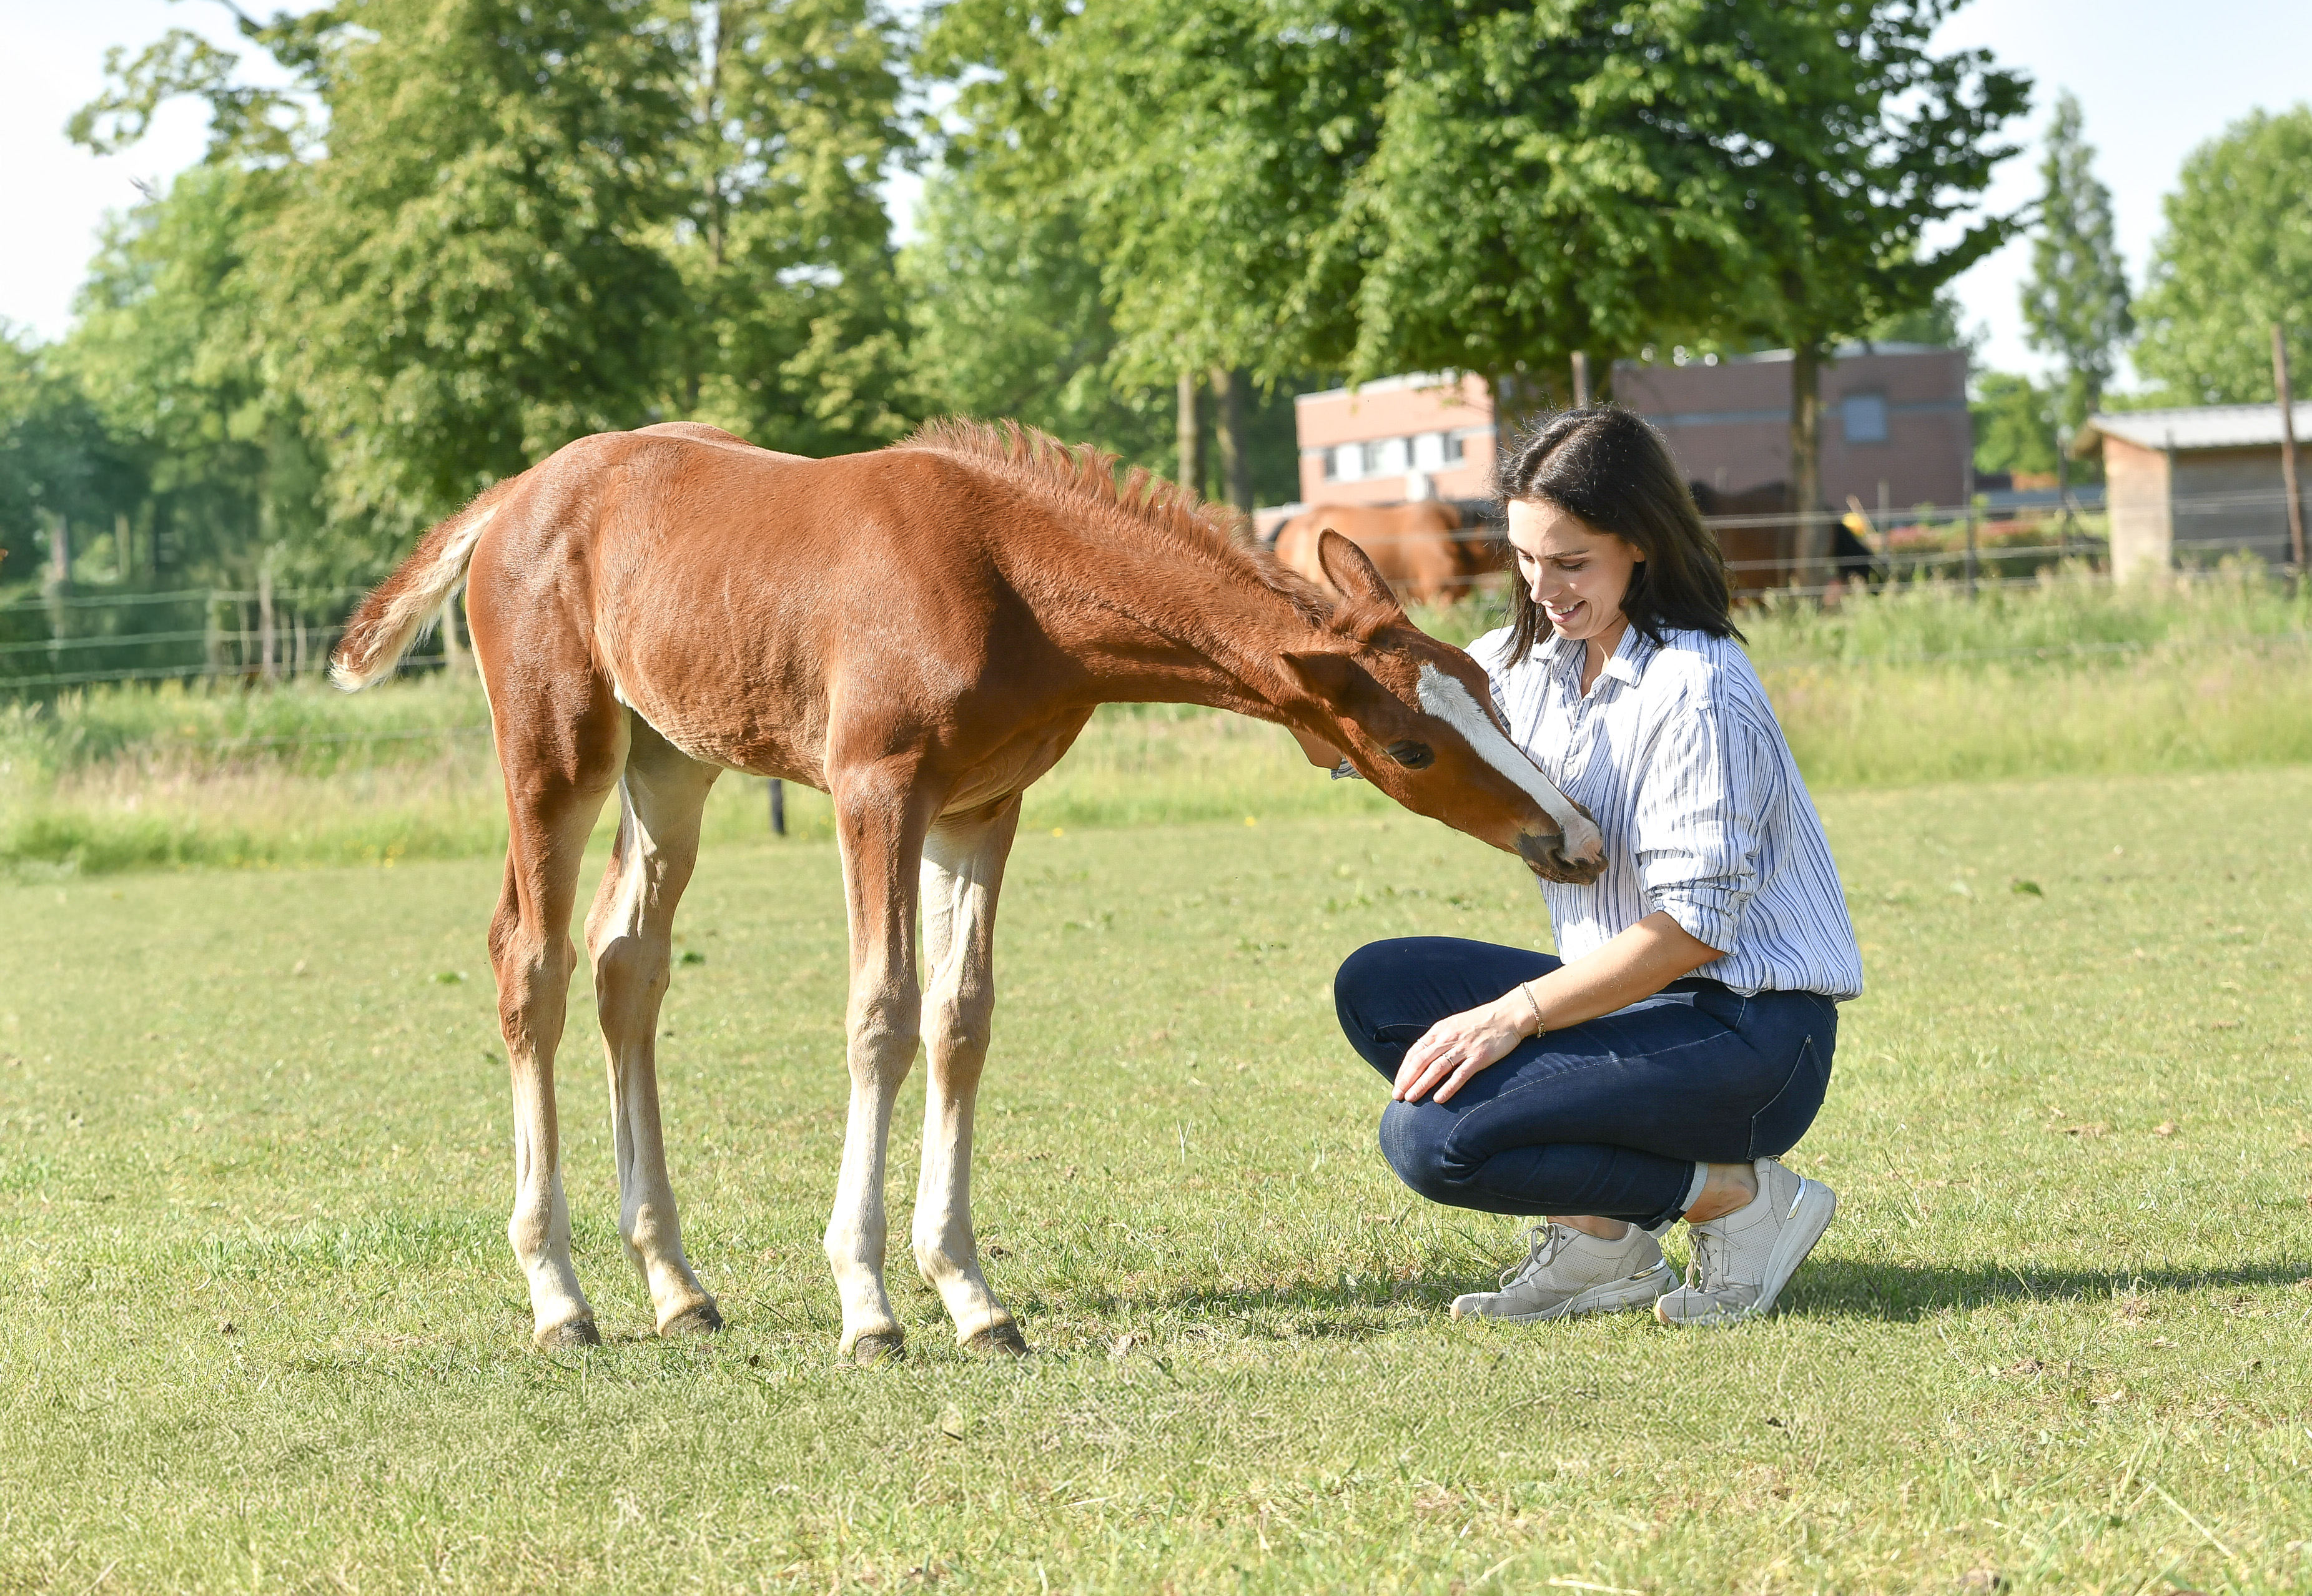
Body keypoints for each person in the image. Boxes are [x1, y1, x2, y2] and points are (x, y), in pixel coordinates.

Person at [1331, 407, 1862, 1327]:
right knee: (1381, 987)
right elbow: (1405, 712)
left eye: (1571, 561)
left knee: (1432, 1140)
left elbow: (1695, 933)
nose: (1543, 588)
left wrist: (1513, 1015)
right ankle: (1598, 1247)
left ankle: (1739, 1201)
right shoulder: (1529, 660)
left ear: (1641, 545)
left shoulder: (1695, 690)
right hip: (1634, 1004)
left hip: (1748, 1036)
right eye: (1527, 559)